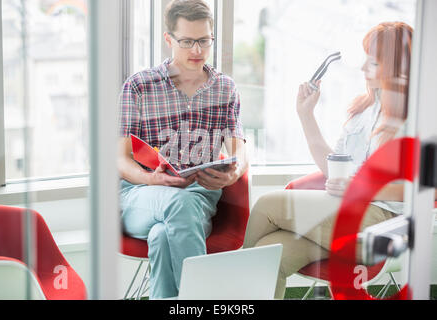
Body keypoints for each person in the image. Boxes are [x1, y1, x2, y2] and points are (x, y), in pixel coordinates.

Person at [243, 22, 417, 299]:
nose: (362, 68)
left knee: (267, 204)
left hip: (381, 223)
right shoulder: (365, 109)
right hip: (341, 213)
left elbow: (418, 190)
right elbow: (333, 167)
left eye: (371, 62)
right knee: (268, 255)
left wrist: (358, 187)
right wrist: (306, 115)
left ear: (396, 67)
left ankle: (228, 292)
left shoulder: (418, 118)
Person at [118, 0, 248, 299]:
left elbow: (238, 151)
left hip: (199, 196)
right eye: (187, 41)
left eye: (204, 41)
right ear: (168, 39)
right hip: (140, 196)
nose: (197, 51)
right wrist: (152, 179)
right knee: (178, 204)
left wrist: (233, 173)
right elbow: (119, 158)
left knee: (163, 236)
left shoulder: (225, 89)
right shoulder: (139, 86)